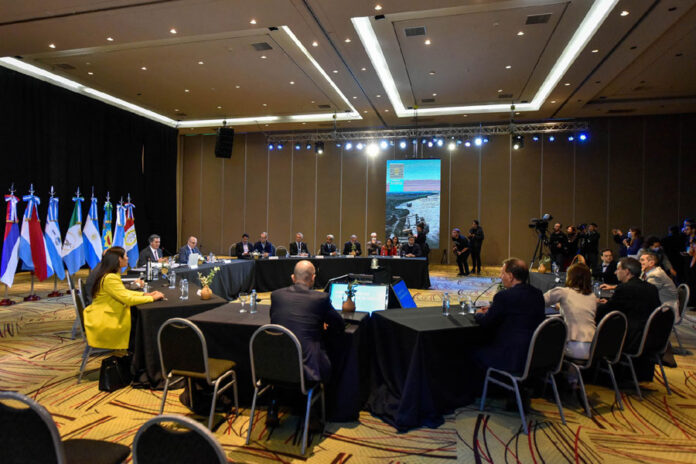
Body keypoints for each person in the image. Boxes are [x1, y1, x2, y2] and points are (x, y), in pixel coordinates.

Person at [269, 260, 344, 383]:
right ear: (313, 278)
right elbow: (339, 325)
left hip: (275, 367)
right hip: (308, 370)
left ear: (293, 277)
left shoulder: (276, 295)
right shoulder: (320, 298)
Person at [473, 258, 545, 374]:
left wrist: (478, 314)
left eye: (502, 273)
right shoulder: (537, 294)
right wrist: (494, 309)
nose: (500, 276)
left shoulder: (503, 296)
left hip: (510, 358)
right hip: (534, 357)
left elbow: (486, 321)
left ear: (511, 276)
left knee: (472, 351)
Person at [83, 248, 164, 350]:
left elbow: (124, 292)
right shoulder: (110, 278)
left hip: (107, 310)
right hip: (105, 316)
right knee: (140, 323)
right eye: (125, 256)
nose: (127, 258)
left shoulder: (109, 274)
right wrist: (152, 298)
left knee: (137, 318)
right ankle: (137, 354)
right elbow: (127, 299)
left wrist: (145, 294)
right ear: (119, 259)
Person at [596, 257, 660, 352]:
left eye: (618, 269)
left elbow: (606, 311)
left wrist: (594, 306)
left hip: (630, 339)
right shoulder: (652, 288)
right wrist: (609, 303)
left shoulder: (624, 289)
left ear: (627, 272)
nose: (615, 272)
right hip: (651, 337)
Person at [544, 264, 597, 360]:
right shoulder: (593, 296)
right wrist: (562, 306)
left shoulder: (563, 292)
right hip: (594, 346)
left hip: (575, 347)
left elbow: (539, 301)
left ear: (570, 277)